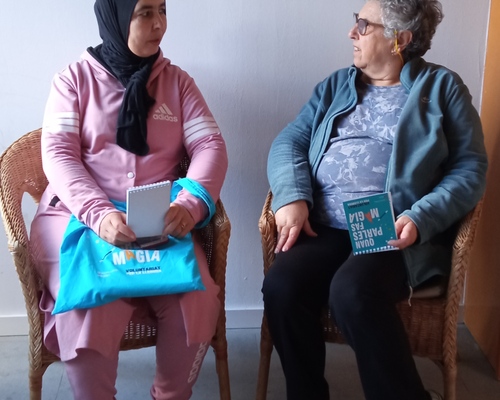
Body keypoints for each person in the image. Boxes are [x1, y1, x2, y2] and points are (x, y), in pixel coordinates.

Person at [262, 1, 487, 399]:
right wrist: (292, 196)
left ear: (400, 39)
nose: (352, 32)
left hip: (391, 229)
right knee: (281, 286)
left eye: (364, 25)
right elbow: (289, 141)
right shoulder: (336, 86)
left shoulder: (442, 88)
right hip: (325, 224)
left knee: (352, 292)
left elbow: (470, 169)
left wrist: (420, 217)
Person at [29, 0, 228, 399]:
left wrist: (190, 203)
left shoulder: (177, 83)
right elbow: (59, 155)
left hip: (157, 217)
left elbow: (210, 145)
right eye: (144, 13)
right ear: (116, 18)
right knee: (89, 301)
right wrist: (99, 214)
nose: (159, 24)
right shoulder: (73, 80)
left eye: (162, 10)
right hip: (79, 215)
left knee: (196, 297)